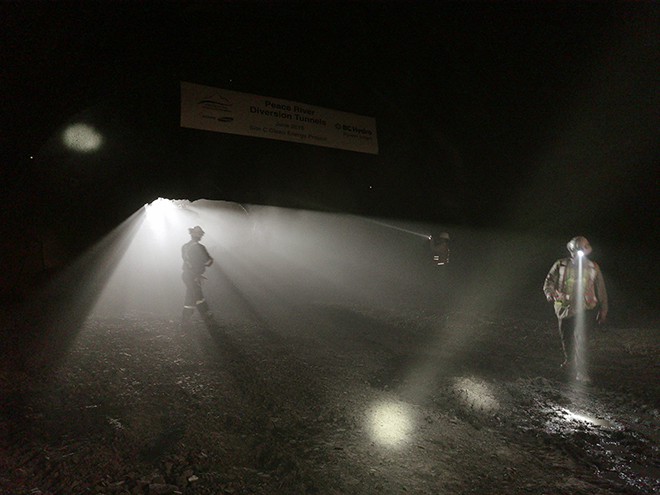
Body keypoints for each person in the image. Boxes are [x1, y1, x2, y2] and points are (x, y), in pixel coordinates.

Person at [543, 236, 608, 383]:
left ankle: (581, 372)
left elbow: (601, 289)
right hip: (564, 309)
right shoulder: (561, 265)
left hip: (586, 309)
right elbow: (549, 282)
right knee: (566, 336)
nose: (582, 250)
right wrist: (550, 293)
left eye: (585, 247)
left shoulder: (593, 267)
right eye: (579, 247)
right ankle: (569, 360)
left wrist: (603, 309)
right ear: (572, 250)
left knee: (581, 339)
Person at [181, 225, 215, 328]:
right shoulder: (200, 247)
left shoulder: (184, 246)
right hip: (194, 275)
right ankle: (207, 316)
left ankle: (185, 319)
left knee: (190, 295)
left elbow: (187, 261)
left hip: (186, 275)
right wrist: (200, 268)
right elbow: (209, 261)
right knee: (198, 296)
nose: (200, 235)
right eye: (199, 234)